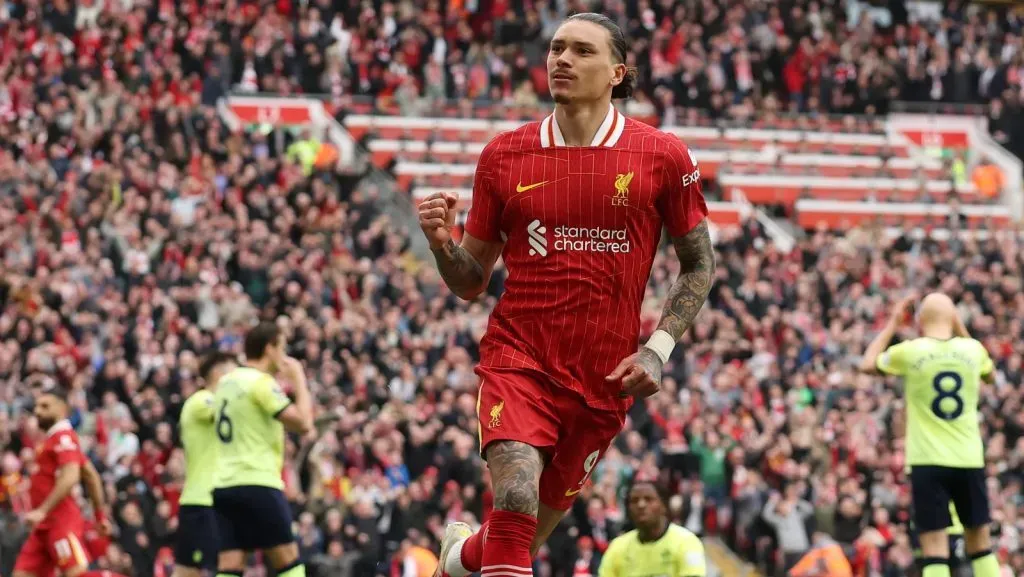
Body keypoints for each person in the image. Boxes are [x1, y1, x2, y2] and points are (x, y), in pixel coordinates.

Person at [419, 12, 715, 577]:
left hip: (603, 380)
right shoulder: (504, 155)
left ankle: (457, 558)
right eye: (557, 48)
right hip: (519, 359)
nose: (562, 59)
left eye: (581, 50)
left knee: (518, 538)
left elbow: (699, 264)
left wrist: (658, 350)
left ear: (617, 72)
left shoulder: (661, 155)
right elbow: (470, 281)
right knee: (514, 499)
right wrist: (441, 245)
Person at [860, 293, 1000, 577]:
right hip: (968, 458)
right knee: (981, 546)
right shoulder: (973, 350)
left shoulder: (912, 351)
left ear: (920, 320)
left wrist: (893, 323)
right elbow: (990, 375)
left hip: (927, 460)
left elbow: (867, 363)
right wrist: (960, 328)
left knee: (934, 550)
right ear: (953, 317)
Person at [211, 323, 314, 577]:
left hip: (224, 484)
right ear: (269, 348)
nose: (284, 356)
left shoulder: (226, 382)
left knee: (230, 565)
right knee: (289, 562)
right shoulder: (260, 383)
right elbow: (304, 423)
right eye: (282, 348)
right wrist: (298, 379)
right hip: (257, 481)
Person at [13, 388, 122, 577]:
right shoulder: (55, 440)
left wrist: (42, 510)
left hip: (60, 522)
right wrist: (99, 516)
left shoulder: (63, 436)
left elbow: (71, 476)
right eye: (37, 406)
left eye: (45, 406)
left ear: (62, 408)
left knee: (77, 575)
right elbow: (91, 476)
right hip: (43, 528)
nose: (37, 411)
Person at [173, 351, 239, 577]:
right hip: (203, 501)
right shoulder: (201, 400)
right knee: (214, 567)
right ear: (219, 373)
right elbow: (231, 411)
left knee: (187, 571)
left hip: (209, 500)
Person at [598, 478, 706, 577]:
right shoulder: (617, 547)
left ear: (664, 506)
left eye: (648, 499)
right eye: (634, 500)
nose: (641, 505)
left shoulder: (686, 542)